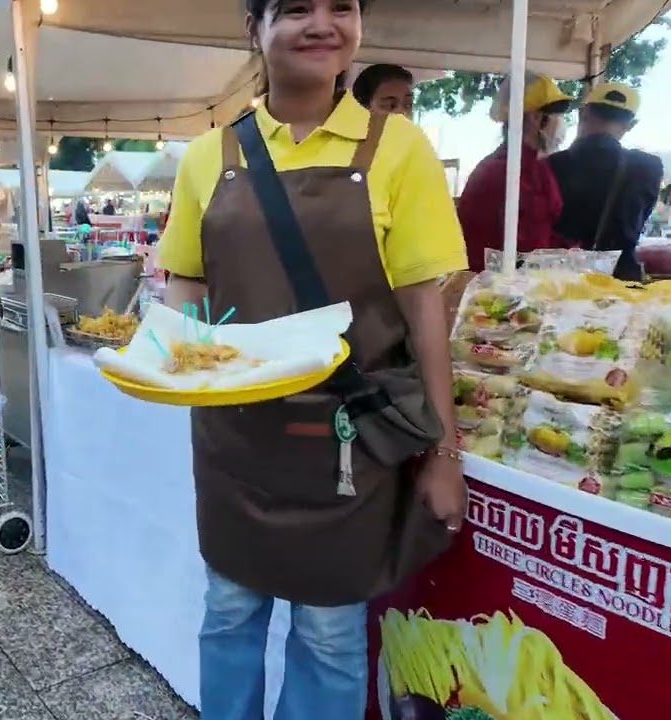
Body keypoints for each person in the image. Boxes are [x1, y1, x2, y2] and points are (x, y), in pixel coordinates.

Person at [158, 1, 466, 717]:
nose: (322, 23)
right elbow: (186, 282)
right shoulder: (211, 155)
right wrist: (171, 355)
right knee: (229, 612)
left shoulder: (399, 147)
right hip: (235, 435)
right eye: (296, 8)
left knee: (329, 632)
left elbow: (426, 309)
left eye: (342, 8)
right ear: (256, 29)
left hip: (346, 440)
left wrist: (447, 452)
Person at [546, 83, 663, 281]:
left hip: (564, 283)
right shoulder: (649, 167)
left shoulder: (551, 165)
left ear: (583, 114)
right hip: (622, 283)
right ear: (630, 125)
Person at [458, 72, 570, 272]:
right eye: (558, 115)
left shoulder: (535, 166)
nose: (562, 123)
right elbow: (528, 248)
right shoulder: (505, 172)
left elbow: (547, 232)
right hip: (497, 292)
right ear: (536, 117)